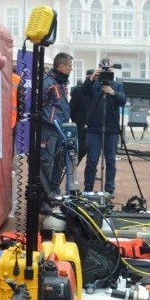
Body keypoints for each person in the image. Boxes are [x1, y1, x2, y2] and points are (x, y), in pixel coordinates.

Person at [79, 67, 126, 196]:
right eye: (103, 70)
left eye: (108, 70)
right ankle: (88, 189)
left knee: (110, 160)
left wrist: (113, 93)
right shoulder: (93, 85)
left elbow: (123, 101)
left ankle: (109, 189)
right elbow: (83, 91)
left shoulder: (117, 85)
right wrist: (92, 77)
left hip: (111, 129)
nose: (105, 73)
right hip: (94, 128)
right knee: (92, 160)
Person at [40, 53, 73, 193]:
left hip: (61, 129)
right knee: (47, 162)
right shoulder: (47, 82)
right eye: (70, 66)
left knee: (59, 162)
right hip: (48, 130)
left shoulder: (62, 84)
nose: (71, 69)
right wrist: (48, 120)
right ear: (61, 66)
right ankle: (44, 199)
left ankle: (54, 191)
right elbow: (37, 105)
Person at [69, 70, 93, 163]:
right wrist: (77, 121)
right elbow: (71, 108)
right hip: (80, 125)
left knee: (91, 151)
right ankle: (72, 166)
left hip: (92, 126)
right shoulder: (78, 91)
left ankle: (92, 171)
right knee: (81, 149)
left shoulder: (95, 92)